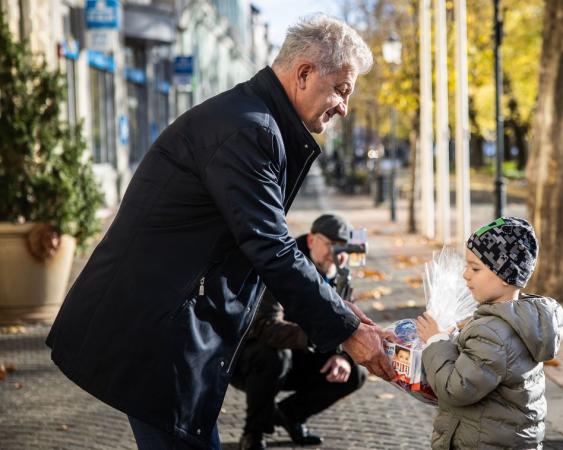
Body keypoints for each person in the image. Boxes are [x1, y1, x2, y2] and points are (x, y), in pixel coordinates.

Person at [46, 15, 394, 450]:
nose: (344, 106)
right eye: (342, 89)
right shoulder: (249, 130)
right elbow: (272, 248)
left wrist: (343, 312)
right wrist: (347, 331)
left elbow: (261, 248)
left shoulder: (253, 120)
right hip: (158, 335)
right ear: (304, 73)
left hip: (167, 332)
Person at [416, 217, 563, 450]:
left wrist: (436, 342)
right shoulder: (521, 321)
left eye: (475, 268)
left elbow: (457, 389)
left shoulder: (491, 332)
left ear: (506, 275)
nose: (465, 275)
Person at [232, 214, 366, 450]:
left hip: (302, 351)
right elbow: (265, 326)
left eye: (343, 248)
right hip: (252, 358)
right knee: (275, 356)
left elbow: (348, 323)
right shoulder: (283, 265)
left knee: (354, 372)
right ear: (312, 240)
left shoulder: (341, 274)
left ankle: (289, 415)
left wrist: (342, 355)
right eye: (331, 245)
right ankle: (253, 433)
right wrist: (316, 335)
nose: (337, 254)